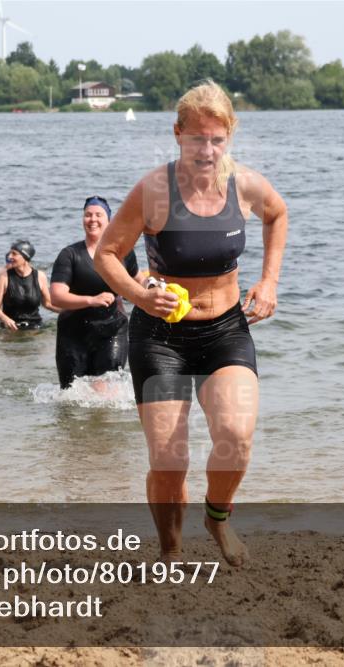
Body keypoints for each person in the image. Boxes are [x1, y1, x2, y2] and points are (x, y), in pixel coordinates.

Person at [94, 81, 288, 566]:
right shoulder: (154, 190)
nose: (207, 149)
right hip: (160, 338)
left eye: (217, 139)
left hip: (225, 331)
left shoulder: (244, 185)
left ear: (229, 137)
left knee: (236, 440)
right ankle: (171, 550)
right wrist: (139, 294)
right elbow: (107, 255)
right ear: (177, 134)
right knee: (169, 461)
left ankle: (217, 519)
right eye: (196, 138)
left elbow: (278, 214)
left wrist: (268, 282)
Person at [50, 196, 143, 388]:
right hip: (73, 333)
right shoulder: (70, 255)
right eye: (88, 215)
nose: (92, 219)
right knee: (71, 395)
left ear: (109, 220)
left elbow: (138, 279)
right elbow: (57, 296)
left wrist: (153, 288)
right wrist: (91, 300)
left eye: (98, 215)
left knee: (106, 389)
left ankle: (103, 419)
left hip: (112, 329)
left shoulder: (123, 252)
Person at [0, 240, 59, 330]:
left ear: (25, 257)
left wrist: (69, 311)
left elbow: (48, 303)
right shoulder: (4, 277)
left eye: (14, 254)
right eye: (10, 253)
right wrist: (5, 319)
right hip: (11, 328)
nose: (10, 257)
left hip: (35, 326)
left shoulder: (40, 276)